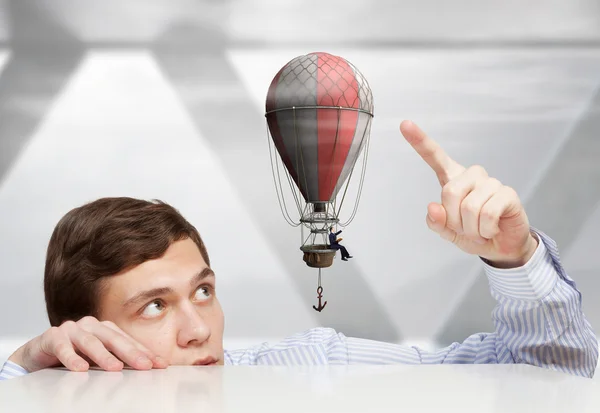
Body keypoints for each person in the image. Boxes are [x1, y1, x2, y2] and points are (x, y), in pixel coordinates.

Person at [0, 121, 597, 381]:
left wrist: (515, 261)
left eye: (203, 291)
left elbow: (553, 375)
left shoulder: (313, 366)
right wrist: (24, 369)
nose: (198, 329)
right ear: (86, 333)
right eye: (154, 306)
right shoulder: (39, 386)